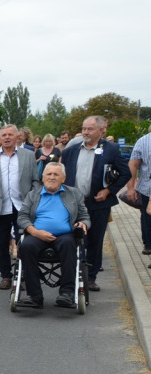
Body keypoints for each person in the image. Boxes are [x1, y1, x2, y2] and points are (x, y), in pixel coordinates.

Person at [61, 115, 132, 291]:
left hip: (98, 204)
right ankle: (73, 275)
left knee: (95, 241)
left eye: (90, 129)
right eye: (84, 128)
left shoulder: (111, 149)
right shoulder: (71, 150)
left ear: (101, 130)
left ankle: (90, 278)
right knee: (75, 239)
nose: (85, 132)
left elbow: (126, 173)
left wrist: (109, 191)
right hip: (74, 204)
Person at [15, 163, 90, 309]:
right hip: (37, 234)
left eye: (56, 174)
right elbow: (22, 217)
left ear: (63, 178)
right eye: (48, 174)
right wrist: (35, 232)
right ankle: (35, 296)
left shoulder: (74, 193)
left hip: (64, 235)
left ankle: (67, 293)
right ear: (43, 177)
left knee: (69, 245)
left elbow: (84, 216)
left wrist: (83, 224)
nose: (52, 177)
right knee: (26, 247)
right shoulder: (33, 194)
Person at [0, 124, 40, 290]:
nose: (6, 138)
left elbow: (36, 180)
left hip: (23, 207)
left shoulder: (28, 156)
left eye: (10, 135)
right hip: (0, 207)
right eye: (3, 135)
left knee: (27, 243)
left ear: (17, 137)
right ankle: (6, 275)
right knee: (0, 244)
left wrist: (33, 201)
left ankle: (26, 273)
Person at [125, 125, 151, 258]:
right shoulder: (143, 141)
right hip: (147, 188)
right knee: (147, 219)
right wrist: (130, 188)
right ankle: (148, 245)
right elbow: (133, 165)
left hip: (146, 187)